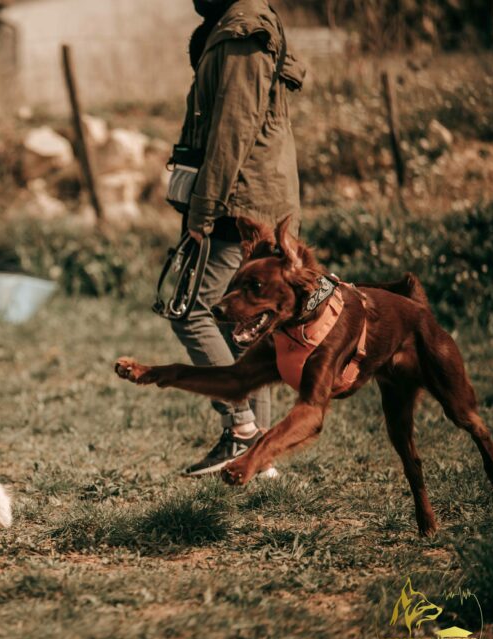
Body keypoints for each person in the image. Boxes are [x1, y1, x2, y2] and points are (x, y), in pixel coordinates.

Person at [168, 0, 305, 476]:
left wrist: (203, 208)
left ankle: (241, 428)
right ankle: (257, 457)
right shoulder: (236, 25)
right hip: (251, 196)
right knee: (245, 329)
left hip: (239, 202)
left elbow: (233, 130)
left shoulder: (243, 31)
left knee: (194, 312)